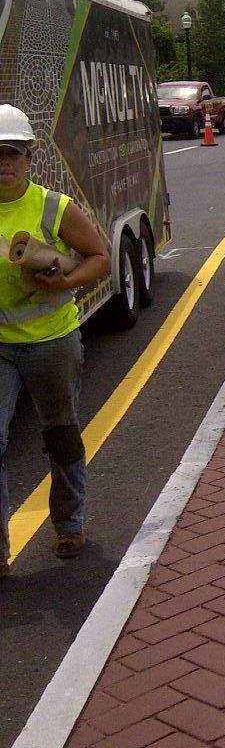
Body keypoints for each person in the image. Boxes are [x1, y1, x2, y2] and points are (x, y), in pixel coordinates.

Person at [0, 105, 109, 577]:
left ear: (28, 157)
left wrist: (64, 284)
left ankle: (69, 522)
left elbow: (100, 258)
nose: (2, 163)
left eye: (11, 154)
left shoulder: (53, 207)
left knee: (60, 434)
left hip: (51, 341)